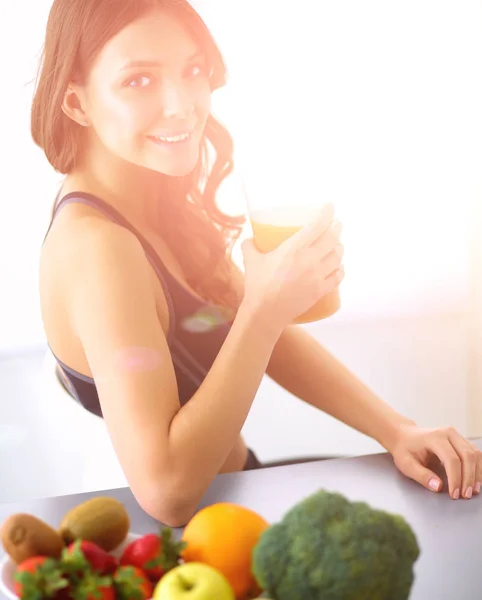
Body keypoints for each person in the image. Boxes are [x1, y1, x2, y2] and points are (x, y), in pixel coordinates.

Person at [34, 0, 481, 527]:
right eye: (138, 81)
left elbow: (245, 323)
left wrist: (396, 429)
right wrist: (266, 308)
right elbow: (168, 492)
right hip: (170, 543)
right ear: (76, 102)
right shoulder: (97, 248)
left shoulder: (151, 192)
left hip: (234, 497)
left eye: (193, 70)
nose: (182, 104)